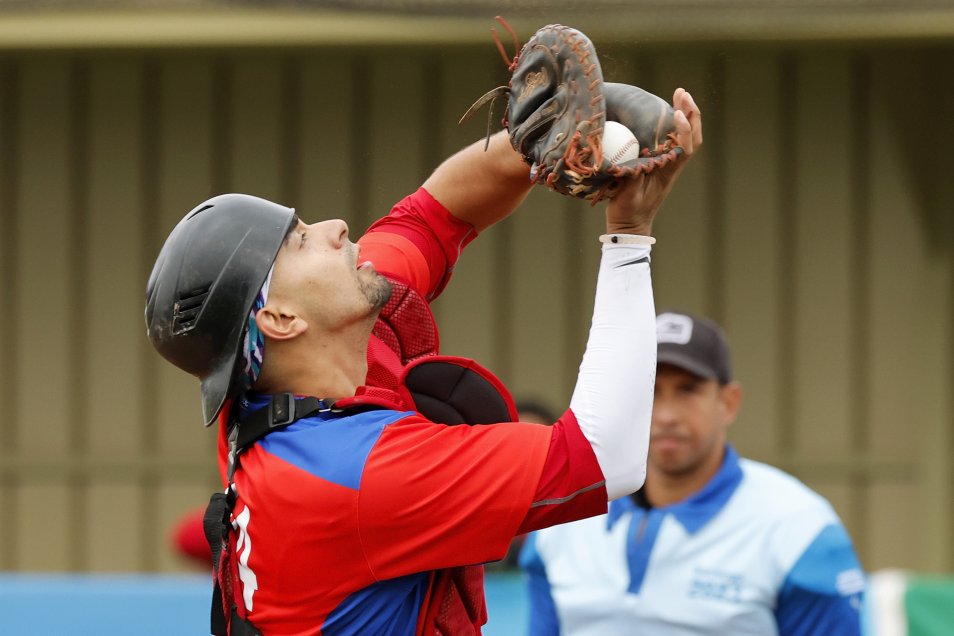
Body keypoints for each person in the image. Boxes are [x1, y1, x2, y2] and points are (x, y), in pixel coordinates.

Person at [146, 85, 702, 634]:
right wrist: (629, 239)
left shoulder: (289, 375)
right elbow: (607, 459)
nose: (336, 227)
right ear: (281, 319)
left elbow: (434, 214)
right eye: (300, 241)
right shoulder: (350, 474)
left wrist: (536, 141)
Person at [520, 311, 866, 636]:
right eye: (649, 391)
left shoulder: (799, 527)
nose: (667, 414)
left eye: (688, 390)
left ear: (728, 402)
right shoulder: (561, 520)